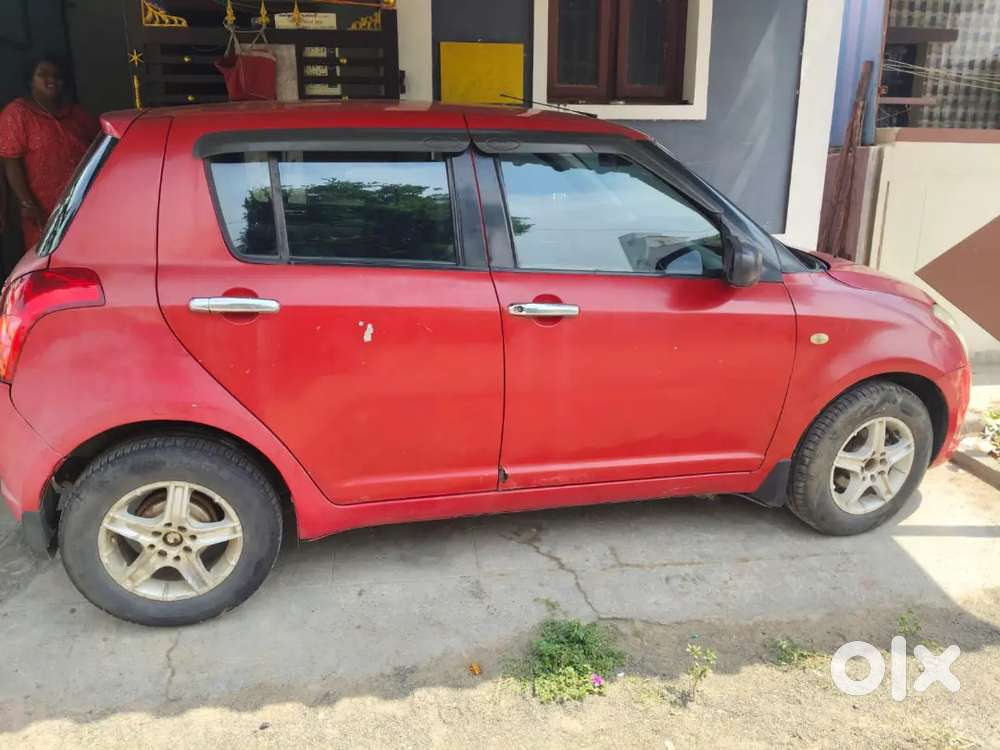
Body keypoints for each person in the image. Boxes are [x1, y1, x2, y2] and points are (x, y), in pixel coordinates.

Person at [0, 55, 99, 253]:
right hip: (43, 210)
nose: (51, 80)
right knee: (49, 261)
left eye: (57, 75)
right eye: (42, 75)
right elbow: (11, 162)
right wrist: (27, 203)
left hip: (84, 202)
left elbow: (98, 146)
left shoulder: (77, 114)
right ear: (30, 79)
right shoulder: (18, 113)